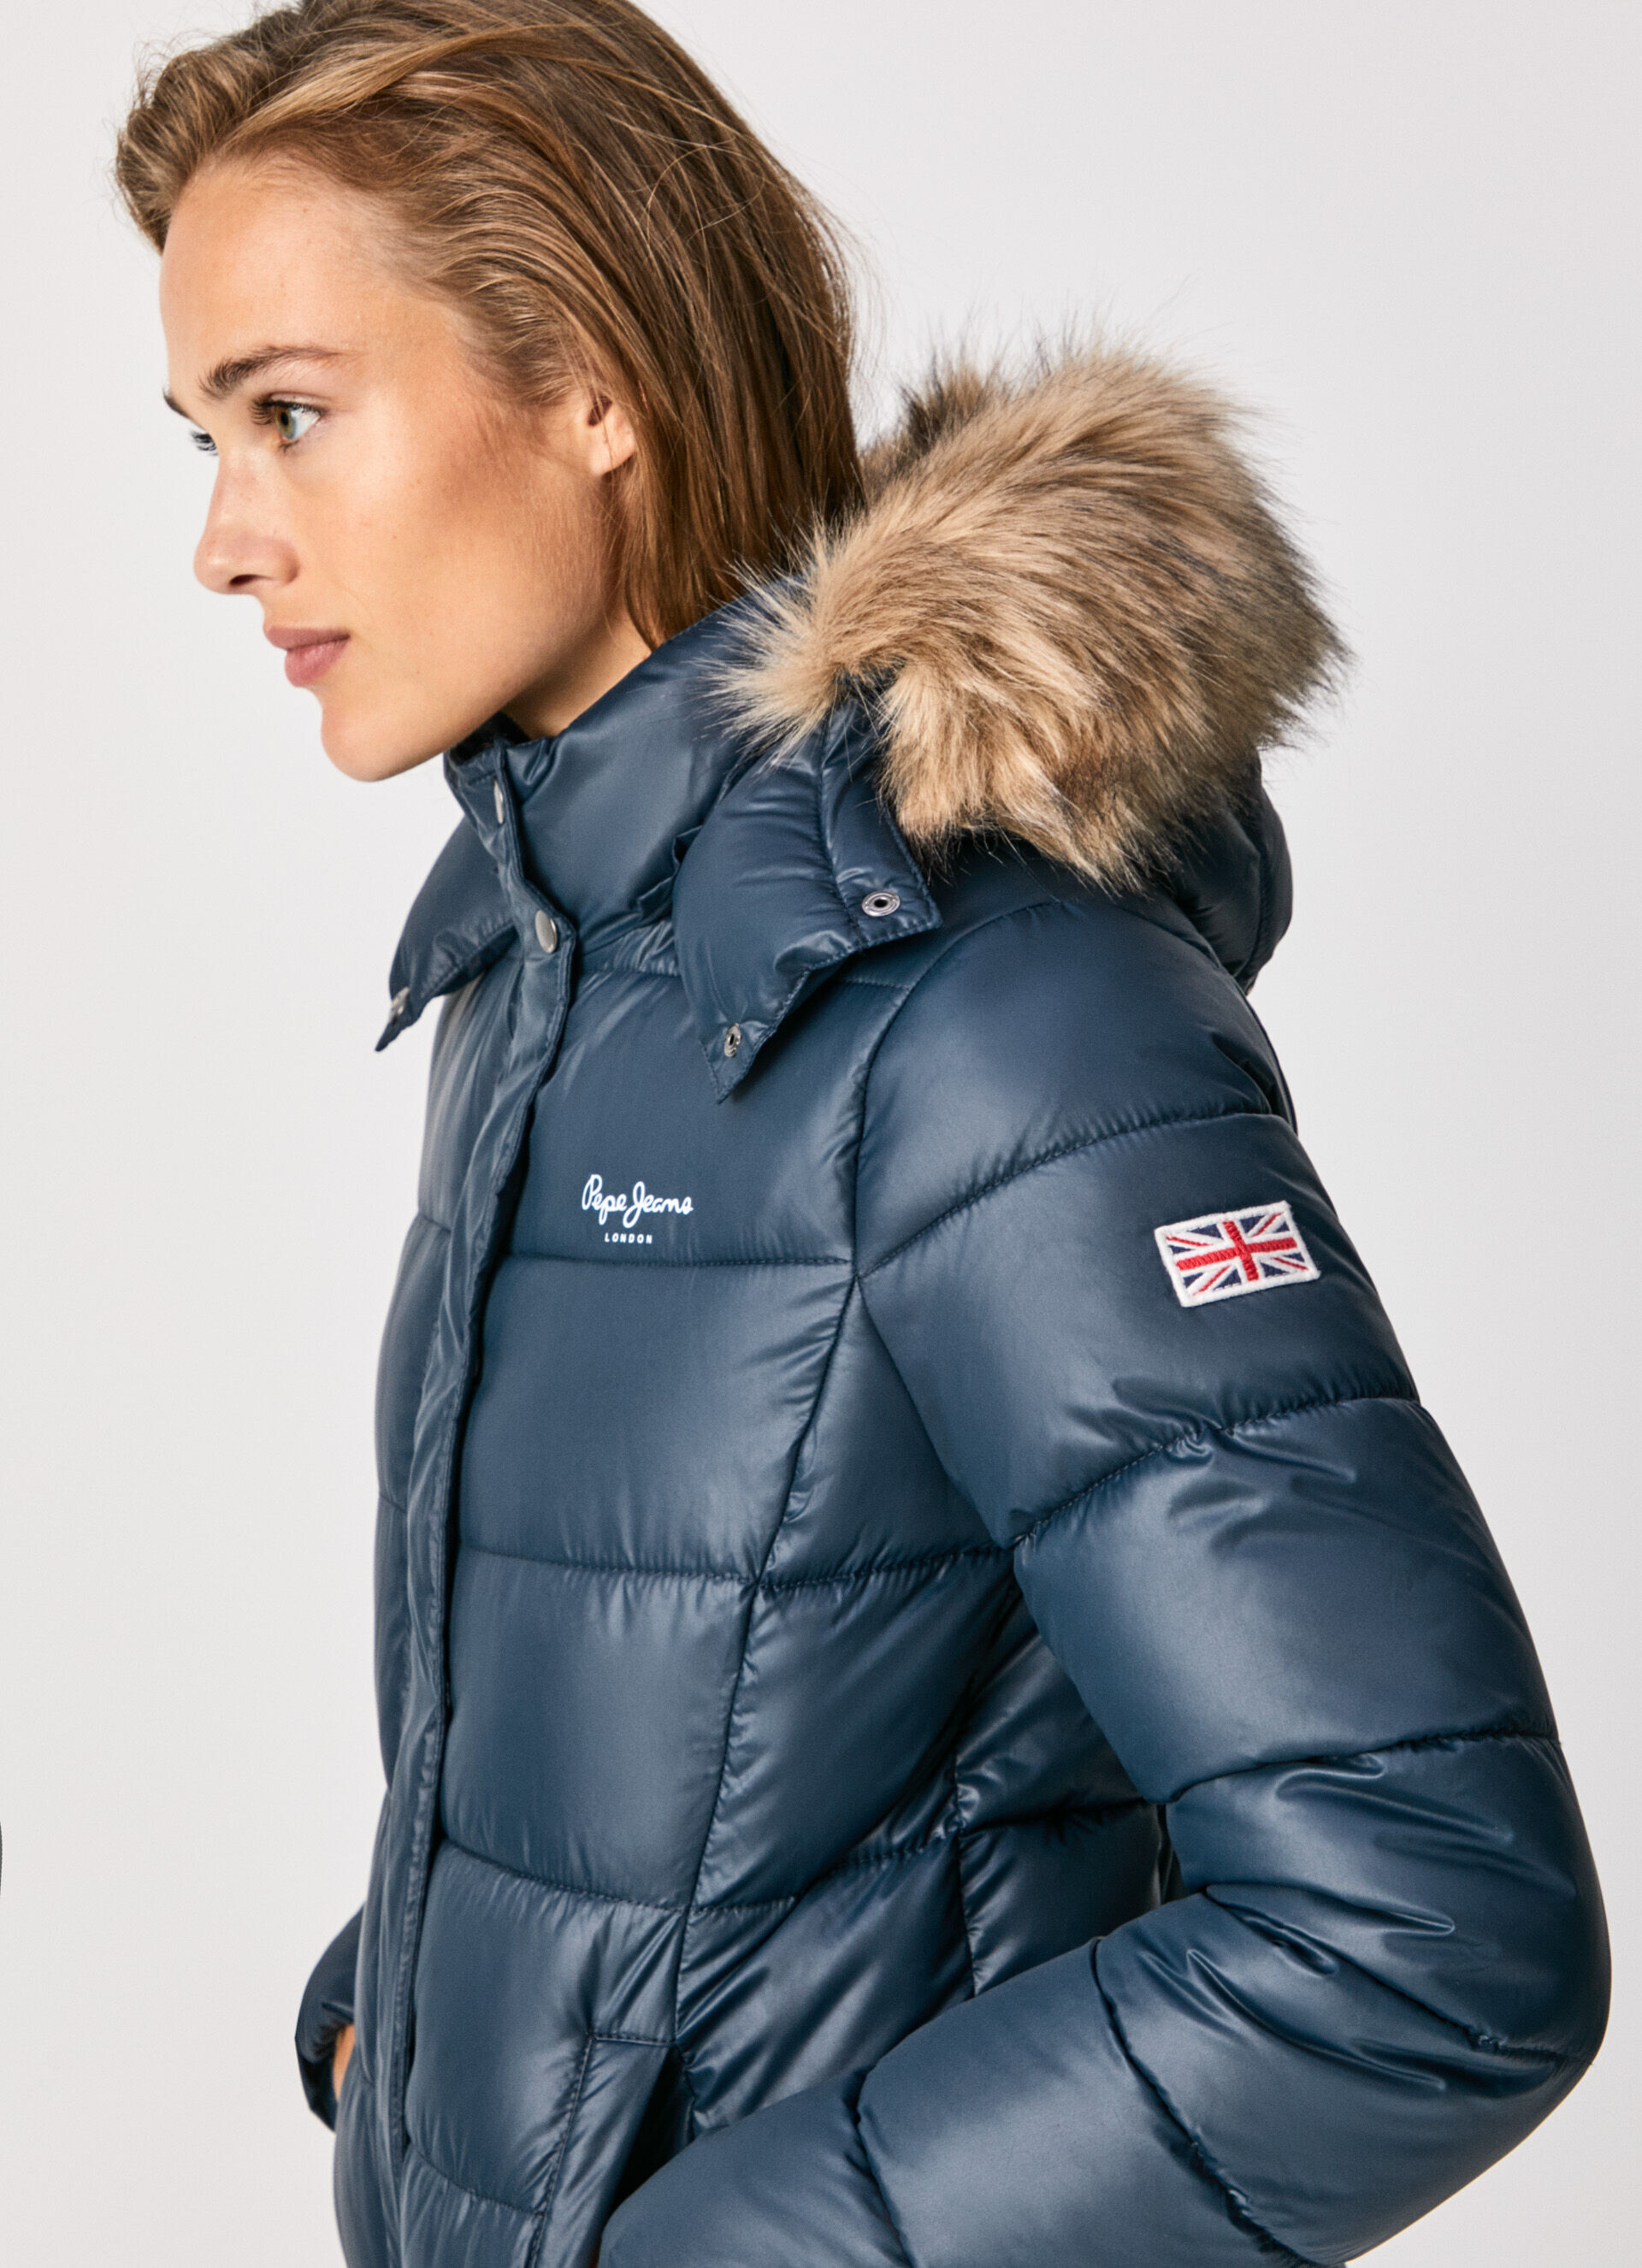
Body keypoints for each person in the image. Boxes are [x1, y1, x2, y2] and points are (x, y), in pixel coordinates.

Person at [117, 5, 1609, 2265]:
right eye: (205, 440)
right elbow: (723, 1706)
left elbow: (1427, 1942)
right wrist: (418, 2017)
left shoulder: (1001, 1023)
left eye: (292, 415)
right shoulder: (555, 967)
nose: (227, 542)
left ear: (592, 384)